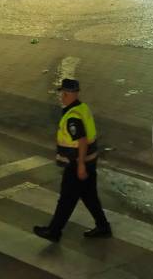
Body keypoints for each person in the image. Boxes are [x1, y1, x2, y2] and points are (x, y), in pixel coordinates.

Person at [33, 78, 112, 242]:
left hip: (76, 164)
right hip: (90, 161)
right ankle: (103, 227)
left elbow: (82, 140)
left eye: (63, 93)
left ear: (67, 94)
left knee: (66, 199)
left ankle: (54, 231)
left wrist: (80, 165)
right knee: (89, 196)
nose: (61, 96)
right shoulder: (82, 108)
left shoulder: (72, 116)